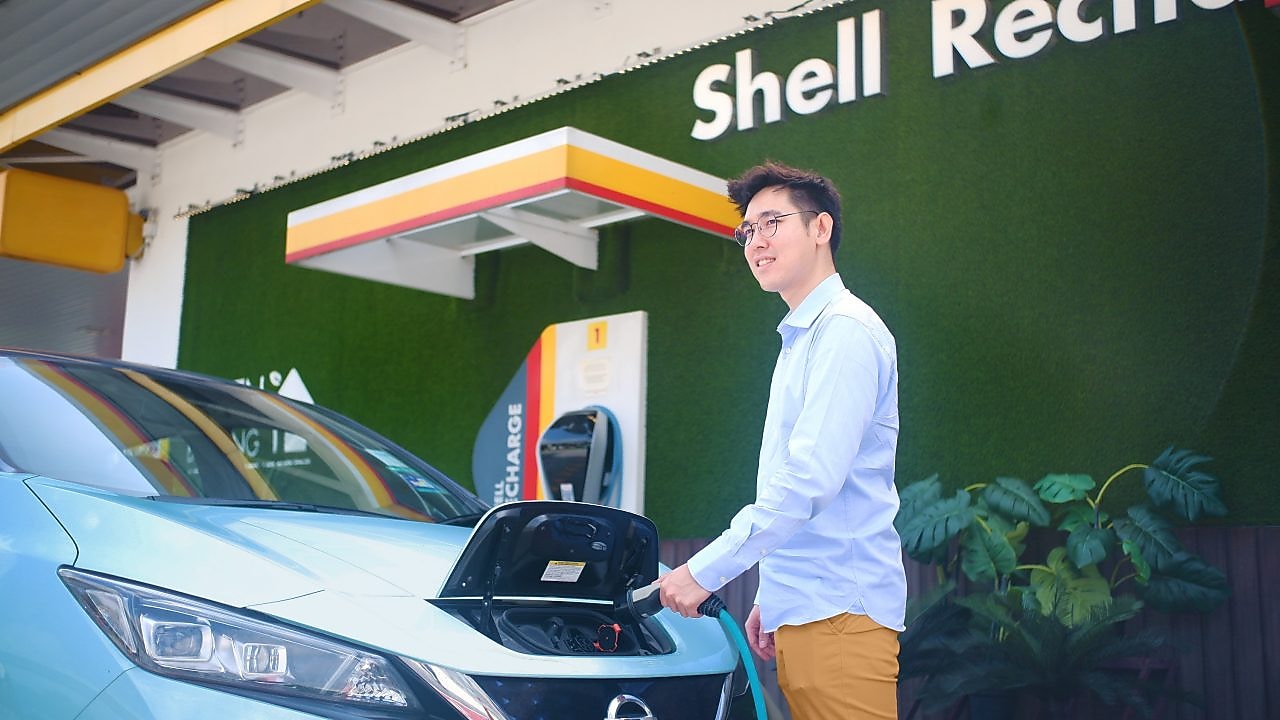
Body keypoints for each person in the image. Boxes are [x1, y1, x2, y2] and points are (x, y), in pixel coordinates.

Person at [656, 161, 907, 719]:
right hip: (812, 611)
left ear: (821, 229)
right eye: (749, 230)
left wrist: (702, 571)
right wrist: (776, 595)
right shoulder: (803, 336)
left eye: (773, 222)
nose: (756, 241)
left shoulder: (844, 331)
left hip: (840, 613)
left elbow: (810, 480)